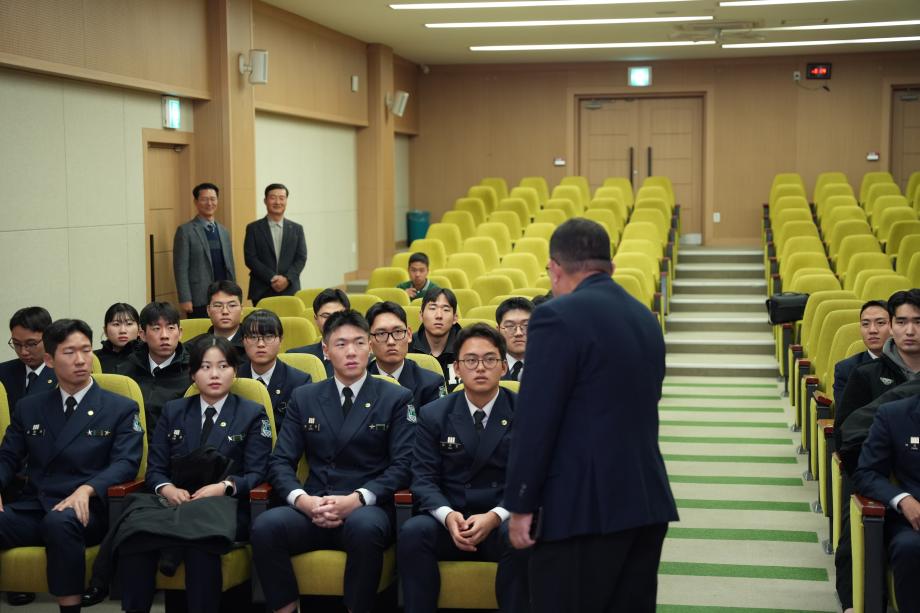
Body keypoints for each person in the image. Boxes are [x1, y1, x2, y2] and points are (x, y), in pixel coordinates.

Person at [505, 218, 677, 613]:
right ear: (609, 266)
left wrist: (521, 504)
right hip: (645, 500)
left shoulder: (556, 317)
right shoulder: (643, 317)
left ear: (555, 268)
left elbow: (536, 420)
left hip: (581, 509)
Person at [251, 310, 415, 613]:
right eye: (341, 344)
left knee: (365, 529)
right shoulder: (305, 397)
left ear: (370, 347)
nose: (351, 351)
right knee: (265, 526)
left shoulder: (396, 397)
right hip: (315, 504)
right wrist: (302, 500)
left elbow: (403, 465)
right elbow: (280, 461)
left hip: (366, 506)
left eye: (359, 342)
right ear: (326, 350)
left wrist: (357, 499)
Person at [115, 335, 271, 613]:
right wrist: (167, 488)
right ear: (193, 374)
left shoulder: (252, 413)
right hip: (175, 504)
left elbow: (257, 472)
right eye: (205, 367)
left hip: (225, 507)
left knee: (200, 544)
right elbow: (155, 469)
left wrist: (225, 486)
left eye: (223, 366)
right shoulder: (173, 411)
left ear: (235, 371)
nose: (214, 374)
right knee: (137, 540)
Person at [0, 319, 143, 613]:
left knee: (60, 522)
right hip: (36, 505)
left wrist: (88, 489)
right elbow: (7, 457)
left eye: (86, 350)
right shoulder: (30, 407)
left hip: (87, 510)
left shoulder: (119, 407)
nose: (80, 360)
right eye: (69, 352)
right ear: (49, 360)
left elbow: (126, 463)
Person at [398, 323, 530, 613]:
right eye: (470, 360)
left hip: (501, 518)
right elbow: (423, 478)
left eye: (490, 359)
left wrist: (494, 517)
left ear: (504, 367)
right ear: (456, 368)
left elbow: (531, 478)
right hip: (452, 518)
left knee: (521, 535)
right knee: (413, 532)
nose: (480, 367)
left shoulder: (525, 412)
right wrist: (448, 516)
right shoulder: (434, 414)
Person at [834, 289, 920, 613]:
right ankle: (856, 603)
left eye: (918, 322)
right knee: (858, 517)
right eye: (902, 322)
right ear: (893, 327)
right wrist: (888, 483)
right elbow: (847, 439)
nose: (910, 330)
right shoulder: (866, 374)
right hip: (877, 473)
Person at [852, 391, 920, 611]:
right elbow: (866, 473)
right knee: (909, 547)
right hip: (914, 522)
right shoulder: (894, 415)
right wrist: (904, 500)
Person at [117, 302, 191, 438]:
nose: (164, 335)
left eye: (170, 328)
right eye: (156, 328)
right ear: (142, 335)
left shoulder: (193, 373)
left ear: (180, 333)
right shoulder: (125, 371)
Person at [237, 310, 312, 425]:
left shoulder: (300, 382)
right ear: (243, 341)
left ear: (280, 340)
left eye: (268, 337)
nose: (261, 344)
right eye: (253, 337)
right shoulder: (234, 378)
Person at [366, 301, 446, 408]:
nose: (391, 341)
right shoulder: (358, 382)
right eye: (381, 334)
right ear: (369, 341)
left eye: (398, 332)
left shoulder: (432, 384)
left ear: (409, 335)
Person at [173, 183, 236, 318]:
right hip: (199, 297)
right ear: (196, 202)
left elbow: (230, 266)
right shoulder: (185, 231)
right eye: (204, 199)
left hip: (224, 296)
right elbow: (180, 268)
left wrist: (235, 294)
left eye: (213, 199)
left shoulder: (224, 231)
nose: (209, 203)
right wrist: (185, 298)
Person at [243, 183, 308, 305]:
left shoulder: (297, 229)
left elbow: (301, 258)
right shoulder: (253, 228)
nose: (277, 202)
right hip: (262, 289)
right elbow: (250, 258)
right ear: (265, 201)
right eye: (273, 198)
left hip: (290, 289)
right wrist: (272, 278)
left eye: (281, 198)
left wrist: (287, 279)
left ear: (286, 201)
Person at [0, 306, 57, 414]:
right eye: (17, 344)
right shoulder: (3, 373)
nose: (23, 352)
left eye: (31, 344)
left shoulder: (64, 373)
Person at [832, 300, 890, 402]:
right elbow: (846, 411)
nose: (872, 330)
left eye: (880, 323)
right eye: (865, 324)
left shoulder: (909, 363)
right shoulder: (846, 370)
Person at [288, 288, 350, 377]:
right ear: (316, 319)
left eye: (338, 316)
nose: (332, 321)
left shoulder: (365, 358)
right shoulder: (296, 358)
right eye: (326, 316)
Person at [409, 288, 463, 387]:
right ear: (421, 315)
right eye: (432, 308)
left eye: (446, 310)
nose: (439, 315)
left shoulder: (467, 347)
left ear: (455, 318)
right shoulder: (408, 347)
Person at [191, 280, 247, 362]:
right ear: (208, 310)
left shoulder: (254, 344)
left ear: (241, 309)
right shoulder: (194, 347)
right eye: (218, 306)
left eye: (232, 305)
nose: (225, 311)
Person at [93, 303, 140, 374]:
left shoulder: (147, 356)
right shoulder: (93, 358)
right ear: (105, 330)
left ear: (139, 329)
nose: (122, 331)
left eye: (129, 324)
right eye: (116, 324)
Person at [495, 297, 533, 382]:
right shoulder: (489, 366)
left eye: (526, 325)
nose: (518, 333)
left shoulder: (551, 365)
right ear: (498, 331)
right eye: (510, 326)